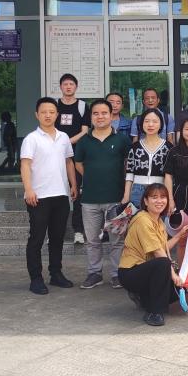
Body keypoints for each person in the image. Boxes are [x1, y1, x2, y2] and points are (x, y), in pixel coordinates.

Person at [20, 97, 78, 295]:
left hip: (61, 195)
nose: (48, 115)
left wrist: (73, 185)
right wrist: (28, 189)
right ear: (37, 115)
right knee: (36, 238)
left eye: (51, 112)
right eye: (43, 112)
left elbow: (69, 162)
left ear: (57, 115)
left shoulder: (63, 137)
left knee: (57, 237)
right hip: (39, 196)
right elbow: (25, 165)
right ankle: (36, 278)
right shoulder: (31, 139)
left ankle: (56, 273)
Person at [74, 99, 131, 290]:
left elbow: (127, 165)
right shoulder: (84, 141)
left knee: (117, 240)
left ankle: (117, 274)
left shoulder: (122, 139)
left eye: (104, 113)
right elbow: (78, 163)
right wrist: (92, 176)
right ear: (91, 117)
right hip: (90, 199)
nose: (100, 117)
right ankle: (94, 273)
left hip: (116, 199)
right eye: (96, 113)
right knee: (92, 240)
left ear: (111, 115)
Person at [118, 183, 186, 327]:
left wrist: (179, 235)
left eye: (163, 197)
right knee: (164, 264)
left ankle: (144, 297)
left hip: (146, 269)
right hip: (130, 271)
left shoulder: (159, 221)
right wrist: (173, 275)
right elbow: (159, 253)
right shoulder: (142, 219)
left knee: (181, 288)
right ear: (146, 201)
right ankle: (154, 312)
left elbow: (162, 248)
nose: (159, 201)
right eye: (154, 197)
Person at [55, 73, 89, 245]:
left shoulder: (82, 106)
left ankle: (78, 231)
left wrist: (66, 142)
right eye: (65, 84)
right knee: (56, 194)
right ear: (60, 87)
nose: (68, 87)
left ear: (76, 86)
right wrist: (60, 144)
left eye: (71, 84)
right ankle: (55, 232)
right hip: (55, 155)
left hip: (76, 155)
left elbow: (85, 131)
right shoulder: (54, 105)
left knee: (77, 193)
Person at [123, 108, 171, 210]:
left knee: (158, 220)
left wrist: (170, 198)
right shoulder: (135, 147)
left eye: (155, 121)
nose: (150, 125)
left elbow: (170, 176)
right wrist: (126, 195)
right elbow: (129, 173)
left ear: (161, 125)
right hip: (137, 190)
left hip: (160, 190)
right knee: (137, 219)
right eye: (147, 121)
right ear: (142, 124)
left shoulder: (168, 147)